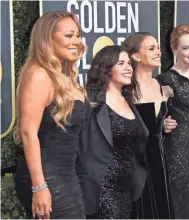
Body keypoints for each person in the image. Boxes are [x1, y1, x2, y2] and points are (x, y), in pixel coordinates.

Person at [14, 11, 87, 219]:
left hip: (66, 173)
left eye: (78, 36)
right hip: (45, 176)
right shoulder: (39, 74)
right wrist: (39, 187)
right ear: (47, 38)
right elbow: (28, 132)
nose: (77, 41)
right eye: (69, 35)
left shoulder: (65, 76)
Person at [76, 45, 149, 219]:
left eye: (129, 63)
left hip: (129, 188)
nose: (128, 68)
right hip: (101, 188)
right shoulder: (91, 101)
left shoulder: (128, 99)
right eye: (121, 63)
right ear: (106, 68)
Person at [156, 24, 189, 219]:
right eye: (186, 47)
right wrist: (161, 125)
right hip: (179, 152)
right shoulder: (166, 80)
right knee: (183, 206)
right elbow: (150, 117)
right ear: (175, 50)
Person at [122, 32, 174, 219]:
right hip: (135, 165)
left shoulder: (161, 86)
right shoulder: (125, 89)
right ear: (135, 56)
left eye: (158, 48)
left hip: (159, 160)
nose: (158, 52)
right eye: (151, 48)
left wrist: (164, 125)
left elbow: (156, 125)